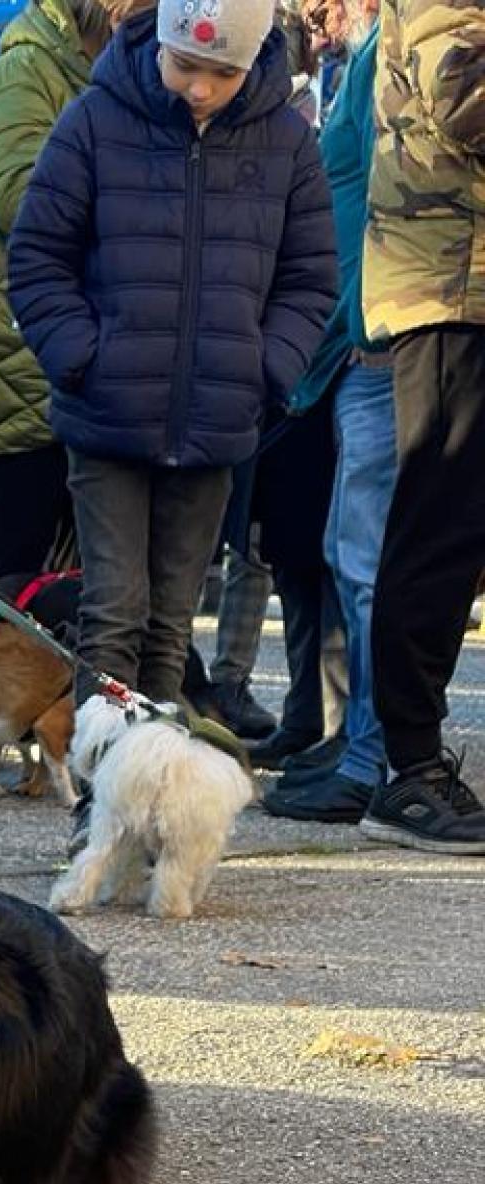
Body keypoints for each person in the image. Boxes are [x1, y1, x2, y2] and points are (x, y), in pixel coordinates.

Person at [7, 0, 336, 712]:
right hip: (107, 416)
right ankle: (104, 773)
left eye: (223, 73)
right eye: (185, 65)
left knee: (170, 626)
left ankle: (153, 771)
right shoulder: (93, 121)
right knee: (114, 611)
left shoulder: (286, 140)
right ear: (160, 42)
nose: (200, 88)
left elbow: (310, 278)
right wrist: (81, 359)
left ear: (251, 63)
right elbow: (36, 258)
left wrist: (265, 369)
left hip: (219, 418)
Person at [0, 0, 148, 581]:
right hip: (13, 386)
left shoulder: (134, 76)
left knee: (96, 599)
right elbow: (25, 203)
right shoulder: (24, 71)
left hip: (97, 385)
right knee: (6, 596)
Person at [359, 0, 485, 854]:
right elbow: (465, 96)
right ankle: (408, 770)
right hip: (450, 290)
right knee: (438, 531)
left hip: (464, 287)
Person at [264, 2, 392, 820]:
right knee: (348, 559)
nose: (311, 19)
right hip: (349, 342)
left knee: (366, 563)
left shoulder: (387, 54)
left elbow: (388, 200)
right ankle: (360, 742)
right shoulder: (360, 58)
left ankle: (375, 754)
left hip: (373, 337)